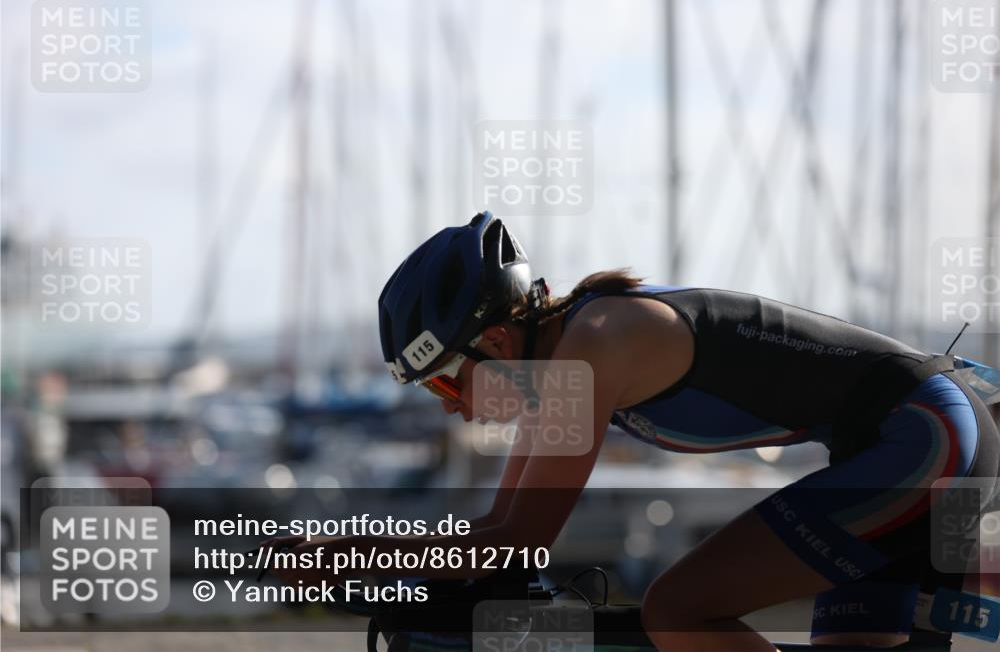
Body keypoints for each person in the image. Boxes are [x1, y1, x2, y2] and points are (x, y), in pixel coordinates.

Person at [269, 212, 999, 651]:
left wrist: (343, 548)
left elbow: (513, 543)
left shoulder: (597, 340)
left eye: (444, 383)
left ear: (492, 343)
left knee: (678, 608)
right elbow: (498, 528)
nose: (453, 409)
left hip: (923, 437)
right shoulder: (566, 356)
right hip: (924, 434)